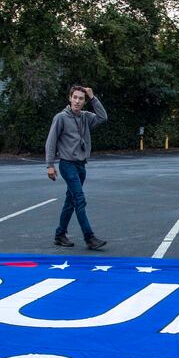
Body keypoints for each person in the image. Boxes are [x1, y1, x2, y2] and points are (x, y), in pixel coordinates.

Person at [45, 85, 108, 250]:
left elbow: (103, 117)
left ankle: (60, 234)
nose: (77, 101)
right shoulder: (61, 118)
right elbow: (51, 142)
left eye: (81, 98)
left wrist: (93, 97)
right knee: (79, 199)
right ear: (70, 98)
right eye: (75, 97)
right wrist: (49, 165)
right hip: (67, 164)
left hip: (81, 165)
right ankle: (89, 237)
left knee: (70, 201)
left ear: (84, 101)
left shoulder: (86, 117)